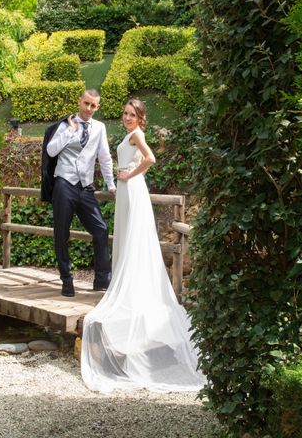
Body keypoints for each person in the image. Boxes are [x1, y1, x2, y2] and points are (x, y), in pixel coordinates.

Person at [81, 98, 206, 393]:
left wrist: (129, 175)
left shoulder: (137, 135)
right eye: (125, 113)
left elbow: (150, 159)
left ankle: (133, 290)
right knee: (126, 238)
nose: (127, 118)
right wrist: (125, 177)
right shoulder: (129, 134)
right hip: (127, 190)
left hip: (133, 188)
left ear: (140, 118)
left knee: (134, 238)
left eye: (132, 114)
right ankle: (131, 287)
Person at [46, 89, 116, 297]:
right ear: (79, 101)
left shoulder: (100, 128)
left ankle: (102, 280)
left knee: (101, 229)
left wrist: (110, 184)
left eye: (93, 105)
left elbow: (104, 158)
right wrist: (70, 131)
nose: (89, 108)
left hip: (85, 187)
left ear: (98, 107)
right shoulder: (64, 125)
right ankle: (67, 280)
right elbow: (51, 151)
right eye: (86, 103)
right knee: (62, 233)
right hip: (64, 184)